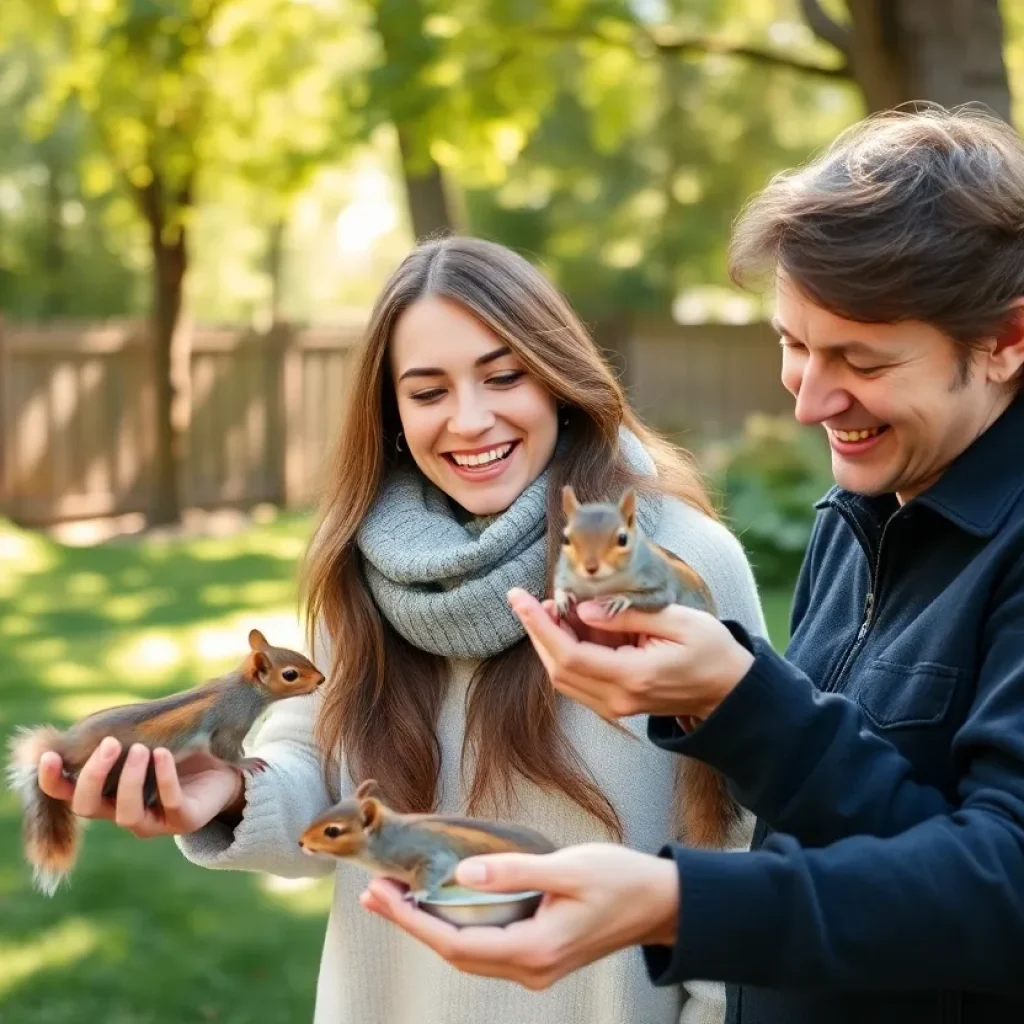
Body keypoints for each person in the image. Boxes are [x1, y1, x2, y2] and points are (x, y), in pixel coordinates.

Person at [361, 105, 1024, 1023]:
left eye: (860, 361)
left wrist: (678, 899)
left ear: (1006, 341)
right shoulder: (865, 511)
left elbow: (1000, 893)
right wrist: (723, 694)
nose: (809, 400)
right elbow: (867, 821)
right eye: (793, 346)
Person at [34, 236, 768, 1024]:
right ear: (390, 410)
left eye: (504, 375)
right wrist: (230, 794)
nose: (471, 419)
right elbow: (316, 760)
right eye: (428, 392)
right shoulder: (367, 565)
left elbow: (736, 848)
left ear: (557, 377)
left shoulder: (683, 563)